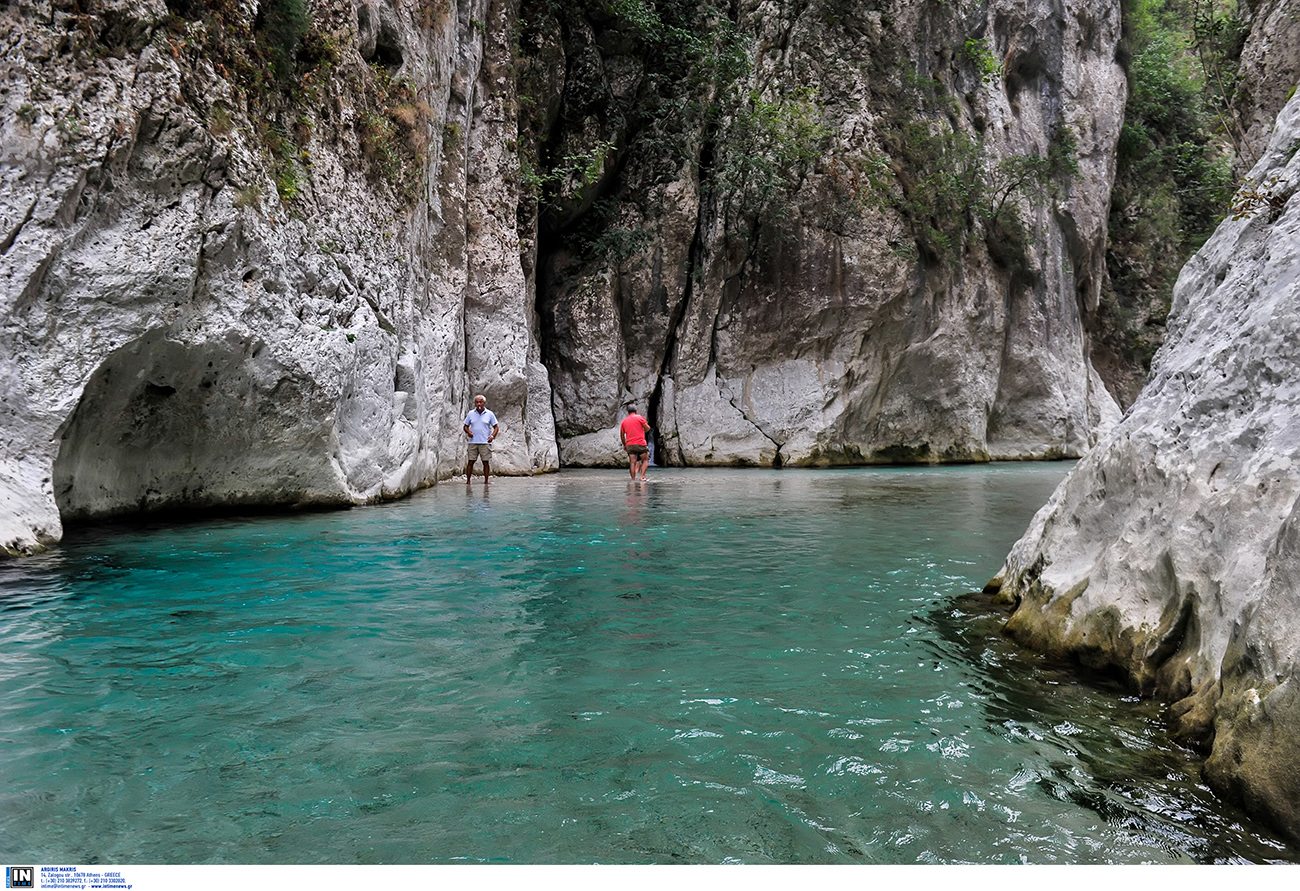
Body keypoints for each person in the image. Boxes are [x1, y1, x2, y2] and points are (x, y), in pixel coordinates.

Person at [463, 394, 499, 483]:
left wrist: (492, 436)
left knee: (485, 462)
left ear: (484, 403)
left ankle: (486, 481)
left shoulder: (489, 414)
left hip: (485, 442)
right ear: (475, 403)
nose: (479, 404)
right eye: (477, 402)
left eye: (480, 402)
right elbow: (465, 426)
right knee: (470, 462)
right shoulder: (471, 414)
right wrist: (468, 432)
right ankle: (468, 481)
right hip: (473, 442)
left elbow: (496, 427)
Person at [620, 405, 651, 481]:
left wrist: (625, 445)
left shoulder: (624, 421)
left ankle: (633, 479)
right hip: (640, 443)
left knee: (632, 462)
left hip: (630, 444)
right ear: (636, 411)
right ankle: (642, 477)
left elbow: (622, 435)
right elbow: (647, 428)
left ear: (627, 412)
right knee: (645, 459)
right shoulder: (639, 417)